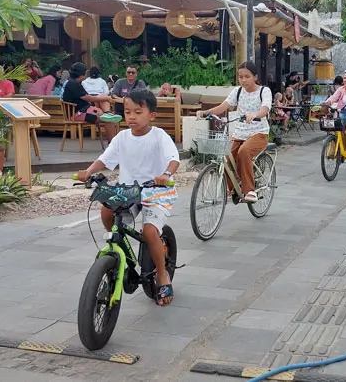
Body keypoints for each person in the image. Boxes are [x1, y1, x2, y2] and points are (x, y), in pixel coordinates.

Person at [76, 89, 179, 306]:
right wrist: (88, 171)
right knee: (106, 212)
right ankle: (118, 247)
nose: (131, 117)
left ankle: (162, 274)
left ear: (152, 115)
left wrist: (166, 175)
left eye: (138, 112)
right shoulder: (122, 138)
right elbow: (104, 160)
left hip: (156, 191)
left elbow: (173, 159)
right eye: (128, 112)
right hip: (129, 192)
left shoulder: (159, 136)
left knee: (149, 231)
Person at [197, 61, 271, 203]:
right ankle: (231, 188)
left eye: (247, 76)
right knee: (227, 156)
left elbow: (265, 109)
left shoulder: (264, 91)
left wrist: (256, 115)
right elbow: (223, 107)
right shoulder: (237, 91)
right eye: (240, 76)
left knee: (244, 152)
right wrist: (206, 113)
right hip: (240, 133)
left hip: (259, 133)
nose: (243, 80)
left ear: (255, 77)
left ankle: (249, 190)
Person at [61, 62, 121, 142]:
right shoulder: (73, 84)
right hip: (78, 113)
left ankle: (107, 112)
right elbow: (89, 98)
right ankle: (113, 144)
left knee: (102, 97)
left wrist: (103, 98)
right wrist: (106, 99)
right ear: (82, 74)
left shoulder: (72, 82)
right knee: (108, 119)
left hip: (82, 109)